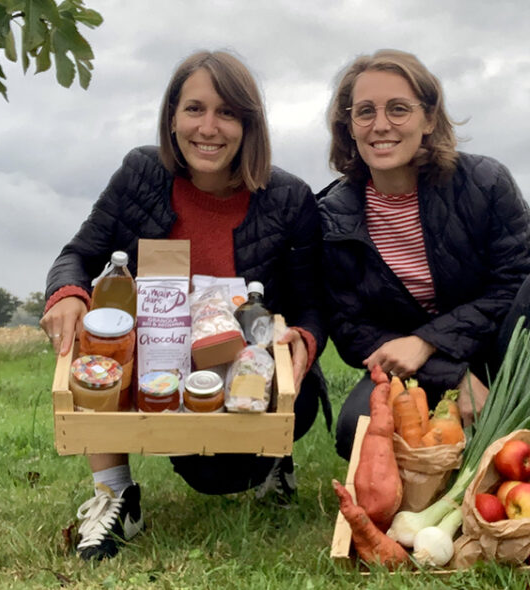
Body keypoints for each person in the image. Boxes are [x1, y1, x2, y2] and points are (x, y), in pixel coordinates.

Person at [40, 50, 328, 561]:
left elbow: (311, 306)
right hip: (158, 364)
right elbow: (77, 256)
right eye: (194, 109)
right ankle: (116, 494)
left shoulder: (289, 198)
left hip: (246, 372)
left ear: (249, 124)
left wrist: (304, 340)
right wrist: (67, 295)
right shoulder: (140, 173)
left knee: (219, 474)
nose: (208, 128)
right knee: (100, 337)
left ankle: (273, 461)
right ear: (172, 117)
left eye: (227, 113)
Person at [318, 49, 530, 461]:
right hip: (413, 373)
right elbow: (352, 328)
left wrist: (427, 341)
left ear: (429, 119)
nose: (381, 125)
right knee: (355, 428)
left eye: (398, 109)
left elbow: (516, 282)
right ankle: (451, 454)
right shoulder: (331, 217)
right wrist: (453, 377)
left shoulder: (485, 182)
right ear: (349, 125)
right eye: (365, 112)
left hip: (500, 355)